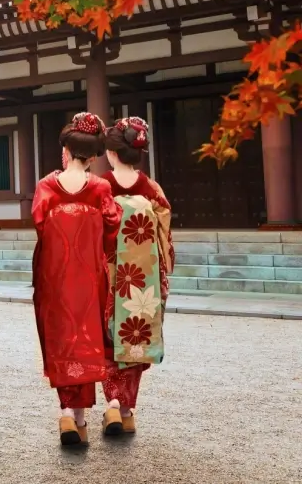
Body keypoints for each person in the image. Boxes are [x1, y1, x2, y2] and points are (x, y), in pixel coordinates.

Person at [31, 112, 122, 447]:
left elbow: (41, 226)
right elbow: (112, 228)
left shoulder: (45, 187)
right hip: (91, 276)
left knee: (65, 338)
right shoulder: (99, 187)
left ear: (65, 150)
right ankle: (112, 405)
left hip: (56, 277)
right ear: (95, 156)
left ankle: (71, 414)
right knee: (95, 334)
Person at [99, 116, 175, 436]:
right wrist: (163, 272)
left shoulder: (100, 186)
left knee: (108, 337)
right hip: (143, 277)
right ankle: (126, 409)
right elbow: (164, 235)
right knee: (135, 338)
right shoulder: (151, 189)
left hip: (109, 274)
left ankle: (114, 406)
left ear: (112, 153)